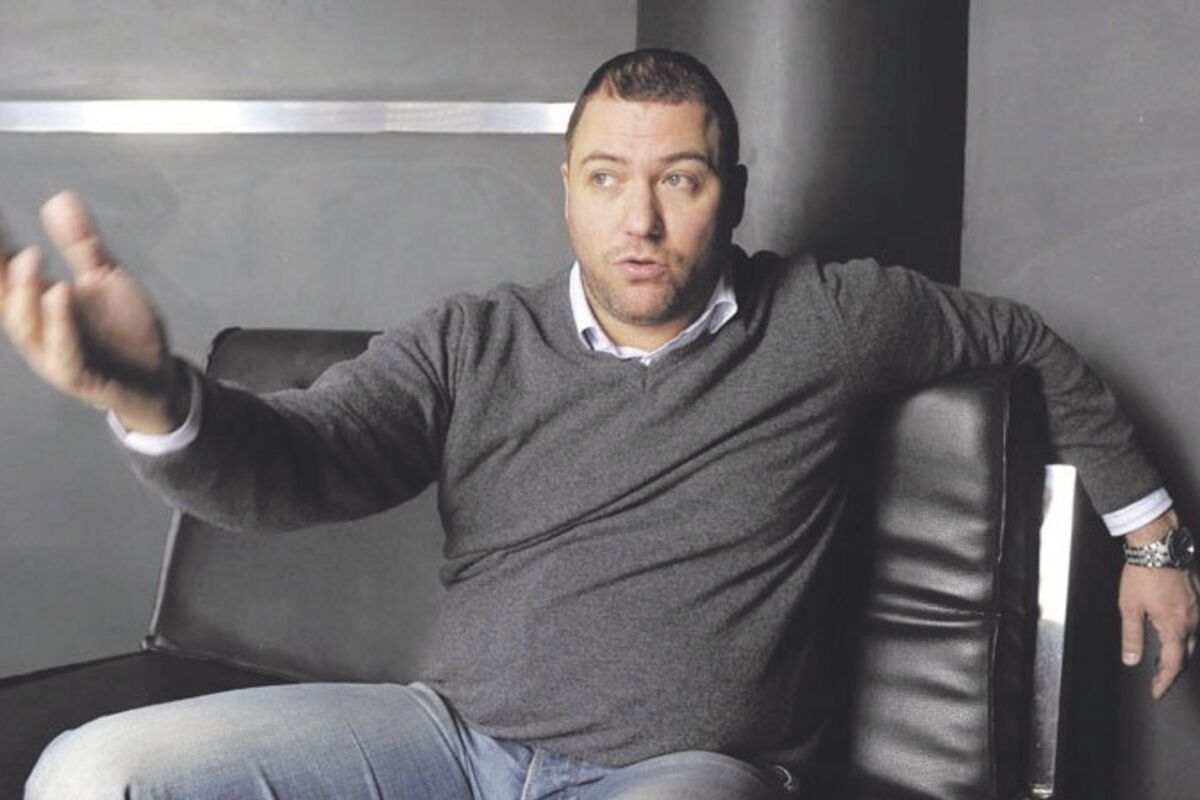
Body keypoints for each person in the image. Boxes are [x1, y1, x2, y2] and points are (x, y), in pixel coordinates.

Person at [3, 48, 1197, 799]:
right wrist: (144, 392)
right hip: (449, 741)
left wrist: (1150, 538)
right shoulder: (471, 340)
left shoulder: (831, 319)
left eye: (681, 178)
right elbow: (297, 463)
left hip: (688, 770)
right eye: (607, 177)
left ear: (732, 194)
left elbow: (1024, 339)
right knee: (92, 771)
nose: (642, 220)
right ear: (566, 189)